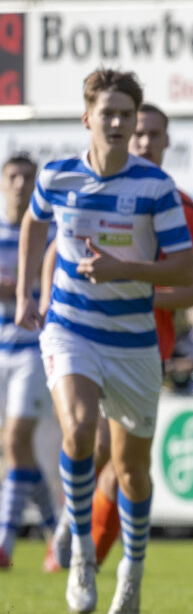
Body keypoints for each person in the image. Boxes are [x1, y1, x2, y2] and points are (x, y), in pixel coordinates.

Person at [17, 69, 193, 614]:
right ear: (87, 118)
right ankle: (77, 556)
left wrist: (127, 269)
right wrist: (29, 292)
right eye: (108, 113)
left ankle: (132, 574)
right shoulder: (58, 176)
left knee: (130, 470)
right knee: (75, 427)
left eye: (126, 114)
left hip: (134, 341)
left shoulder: (155, 188)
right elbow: (33, 224)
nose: (118, 123)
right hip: (71, 327)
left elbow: (187, 270)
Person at [51, 102, 193, 572]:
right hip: (86, 335)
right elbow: (62, 248)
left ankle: (81, 556)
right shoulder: (88, 191)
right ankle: (74, 542)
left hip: (143, 345)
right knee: (90, 442)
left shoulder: (182, 208)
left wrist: (126, 286)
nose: (142, 141)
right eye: (137, 133)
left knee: (123, 464)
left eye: (153, 134)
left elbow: (188, 289)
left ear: (165, 142)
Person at [0, 155, 59, 570]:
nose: (20, 184)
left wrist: (25, 286)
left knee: (16, 440)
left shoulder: (47, 232)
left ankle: (4, 542)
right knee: (14, 448)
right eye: (13, 177)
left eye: (27, 178)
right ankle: (57, 530)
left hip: (32, 349)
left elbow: (54, 283)